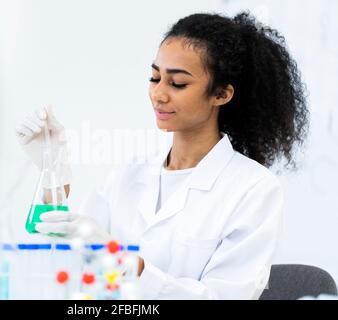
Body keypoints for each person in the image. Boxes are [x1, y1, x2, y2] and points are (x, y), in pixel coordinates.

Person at [15, 12, 309, 299]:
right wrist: (53, 172)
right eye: (155, 78)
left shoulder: (253, 189)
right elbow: (61, 268)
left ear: (221, 94)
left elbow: (223, 296)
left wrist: (124, 262)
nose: (159, 94)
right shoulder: (130, 174)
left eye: (177, 83)